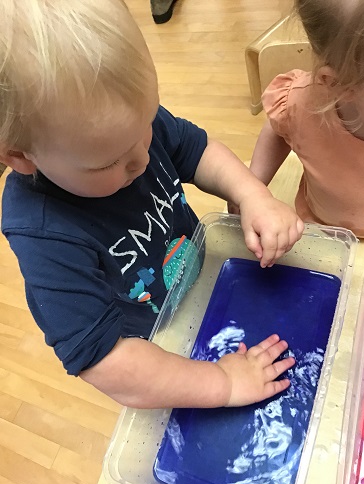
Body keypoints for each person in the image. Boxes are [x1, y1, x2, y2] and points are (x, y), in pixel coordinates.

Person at [0, 0, 302, 410]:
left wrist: (253, 194)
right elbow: (106, 361)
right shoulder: (43, 233)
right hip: (157, 346)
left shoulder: (121, 131)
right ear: (20, 156)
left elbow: (196, 149)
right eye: (110, 162)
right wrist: (223, 384)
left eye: (145, 126)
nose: (143, 159)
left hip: (205, 281)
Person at [247, 0, 364, 238]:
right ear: (339, 84)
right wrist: (253, 188)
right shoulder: (301, 105)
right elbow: (277, 129)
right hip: (321, 234)